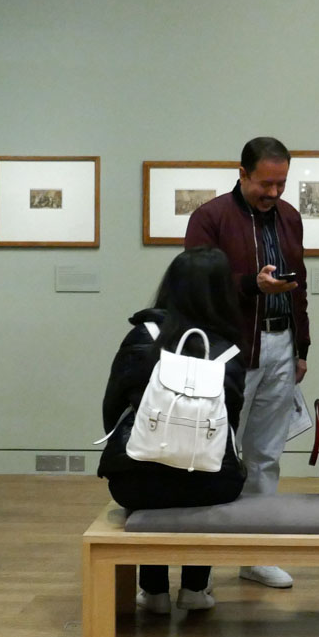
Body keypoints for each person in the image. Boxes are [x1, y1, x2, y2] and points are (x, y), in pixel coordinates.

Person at [183, 136, 307, 591]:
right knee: (213, 453)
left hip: (281, 344)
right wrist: (252, 285)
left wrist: (302, 347)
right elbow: (196, 283)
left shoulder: (290, 217)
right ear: (242, 173)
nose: (274, 193)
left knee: (266, 455)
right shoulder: (210, 217)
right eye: (265, 183)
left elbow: (300, 283)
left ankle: (255, 553)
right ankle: (199, 567)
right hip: (230, 351)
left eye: (281, 183)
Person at [98, 247, 247, 612]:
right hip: (213, 483)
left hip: (136, 482)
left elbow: (113, 405)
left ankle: (154, 592)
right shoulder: (228, 350)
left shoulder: (142, 335)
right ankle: (195, 590)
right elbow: (229, 420)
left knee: (153, 471)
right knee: (198, 479)